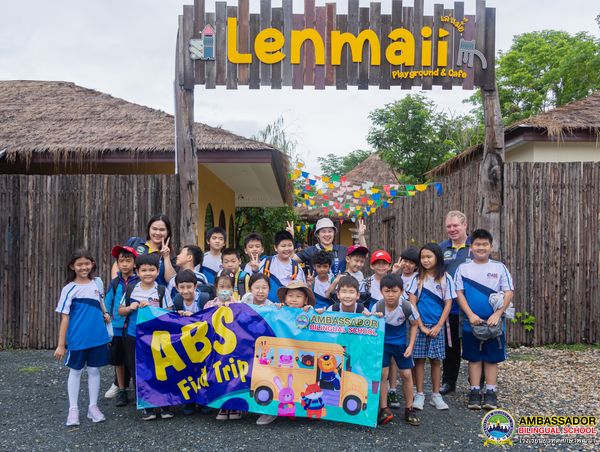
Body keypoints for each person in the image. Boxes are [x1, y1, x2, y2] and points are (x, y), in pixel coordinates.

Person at [454, 229, 514, 410]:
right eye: (477, 244)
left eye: (485, 244)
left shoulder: (499, 267)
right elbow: (459, 293)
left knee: (491, 359)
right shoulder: (463, 268)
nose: (481, 247)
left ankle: (490, 392)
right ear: (471, 247)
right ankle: (474, 392)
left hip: (494, 323)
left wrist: (498, 314)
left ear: (491, 246)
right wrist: (471, 315)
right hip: (471, 323)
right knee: (473, 358)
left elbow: (509, 292)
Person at [54, 249, 111, 426]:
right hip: (78, 339)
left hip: (98, 337)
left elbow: (100, 301)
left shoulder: (96, 283)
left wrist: (106, 312)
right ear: (73, 266)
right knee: (76, 371)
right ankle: (73, 409)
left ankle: (93, 407)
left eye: (87, 263)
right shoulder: (69, 288)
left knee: (94, 371)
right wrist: (61, 345)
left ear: (92, 264)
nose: (83, 267)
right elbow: (64, 317)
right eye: (79, 264)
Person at [118, 253, 172, 421]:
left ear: (157, 271)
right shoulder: (131, 289)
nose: (147, 273)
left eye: (151, 270)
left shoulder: (162, 290)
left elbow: (170, 312)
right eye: (144, 270)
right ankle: (146, 405)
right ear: (137, 271)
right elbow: (120, 310)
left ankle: (164, 404)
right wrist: (130, 308)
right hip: (134, 336)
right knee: (138, 370)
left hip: (157, 337)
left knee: (160, 370)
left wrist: (153, 309)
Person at [407, 243, 455, 412]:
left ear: (437, 258)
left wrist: (439, 325)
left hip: (437, 326)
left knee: (436, 360)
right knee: (418, 360)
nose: (425, 260)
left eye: (429, 257)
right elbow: (412, 301)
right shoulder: (417, 278)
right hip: (419, 325)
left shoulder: (446, 278)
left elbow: (448, 303)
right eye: (423, 257)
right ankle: (419, 393)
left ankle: (436, 394)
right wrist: (420, 325)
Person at [373, 274, 420, 427]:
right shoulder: (378, 306)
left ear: (402, 291)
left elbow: (414, 325)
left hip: (401, 345)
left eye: (394, 291)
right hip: (383, 345)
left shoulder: (406, 306)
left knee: (406, 375)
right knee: (383, 374)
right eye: (387, 291)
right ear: (381, 291)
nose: (391, 295)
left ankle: (409, 408)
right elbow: (368, 325)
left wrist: (411, 345)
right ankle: (384, 409)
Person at [439, 210, 473, 395]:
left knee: (473, 345)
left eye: (455, 225)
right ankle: (448, 382)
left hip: (471, 307)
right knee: (450, 347)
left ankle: (476, 383)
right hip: (450, 308)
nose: (452, 229)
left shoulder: (475, 246)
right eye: (449, 226)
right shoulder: (442, 248)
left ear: (465, 225)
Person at [103, 245, 139, 407]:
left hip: (133, 327)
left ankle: (139, 389)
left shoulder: (139, 281)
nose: (124, 264)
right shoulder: (115, 283)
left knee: (134, 359)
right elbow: (107, 303)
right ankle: (122, 389)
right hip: (117, 327)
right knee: (119, 360)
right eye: (121, 261)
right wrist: (106, 316)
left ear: (134, 263)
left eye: (128, 261)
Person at [111, 213, 176, 287]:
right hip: (129, 294)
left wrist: (166, 257)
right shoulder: (135, 242)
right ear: (149, 229)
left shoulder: (171, 254)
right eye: (154, 229)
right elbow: (117, 264)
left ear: (168, 232)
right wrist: (116, 286)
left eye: (162, 230)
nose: (157, 233)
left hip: (156, 296)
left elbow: (171, 281)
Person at [291, 217, 367, 276]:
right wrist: (291, 238)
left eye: (330, 231)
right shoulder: (311, 251)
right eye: (323, 231)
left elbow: (364, 255)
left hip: (339, 293)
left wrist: (361, 236)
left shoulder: (343, 249)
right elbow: (291, 259)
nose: (327, 234)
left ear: (334, 233)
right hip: (318, 293)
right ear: (318, 235)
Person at [261, 230, 306, 303]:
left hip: (288, 310)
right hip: (268, 309)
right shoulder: (266, 263)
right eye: (283, 246)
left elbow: (302, 291)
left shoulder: (297, 268)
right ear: (275, 247)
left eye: (289, 245)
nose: (287, 249)